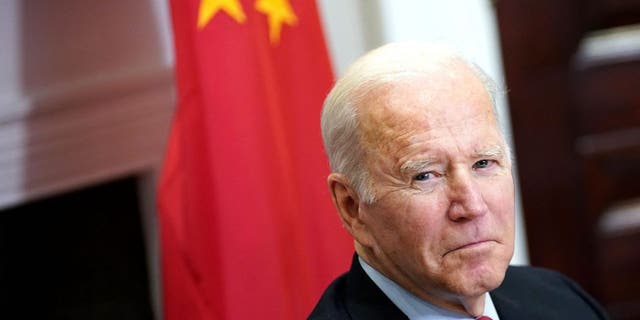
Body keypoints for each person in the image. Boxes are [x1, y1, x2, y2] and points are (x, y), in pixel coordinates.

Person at [309, 42, 608, 320]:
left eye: (483, 163)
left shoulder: (562, 301)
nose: (473, 206)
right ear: (352, 207)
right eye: (425, 175)